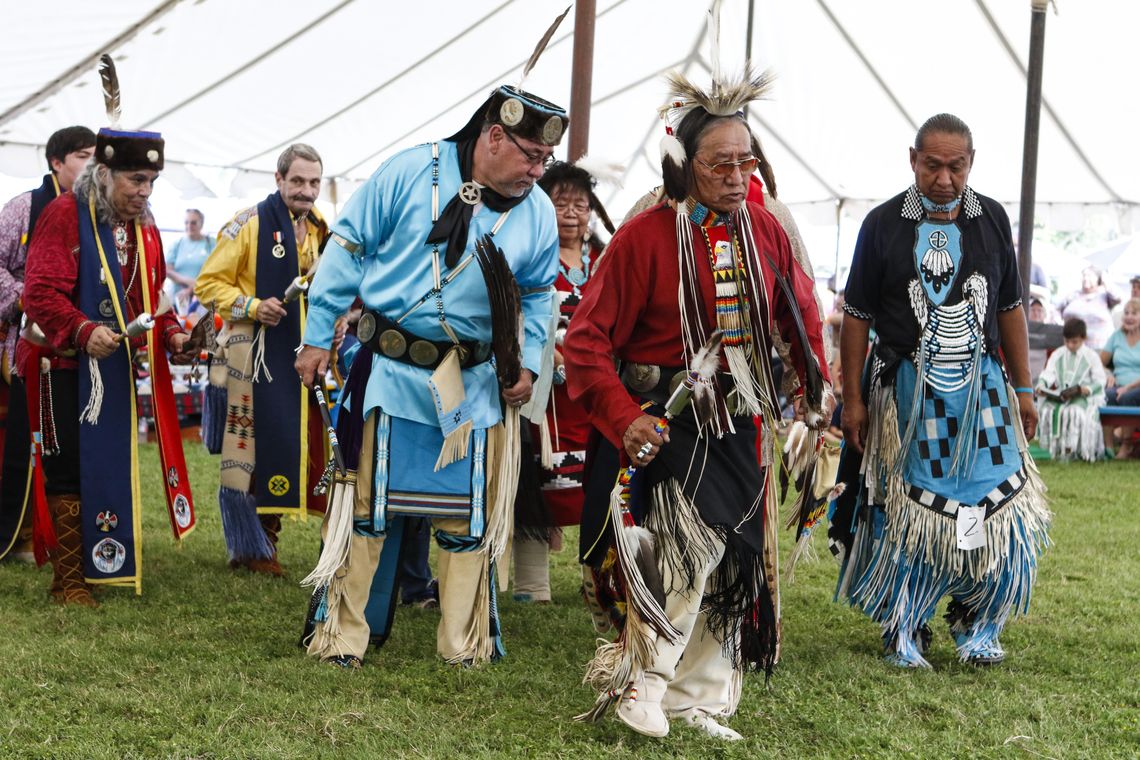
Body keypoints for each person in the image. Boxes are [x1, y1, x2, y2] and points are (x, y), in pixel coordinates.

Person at [566, 68, 831, 741]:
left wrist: (812, 398)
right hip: (670, 423)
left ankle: (700, 700)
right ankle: (642, 683)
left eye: (747, 161)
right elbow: (586, 342)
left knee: (735, 557)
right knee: (686, 551)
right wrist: (625, 420)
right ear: (686, 166)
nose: (737, 176)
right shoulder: (645, 237)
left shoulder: (765, 232)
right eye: (721, 163)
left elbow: (799, 314)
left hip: (740, 422)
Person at [295, 84, 563, 669]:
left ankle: (464, 645)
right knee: (365, 509)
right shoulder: (411, 171)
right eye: (529, 157)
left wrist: (530, 361)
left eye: (545, 162)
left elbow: (540, 293)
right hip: (390, 372)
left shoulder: (536, 211)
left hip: (470, 384)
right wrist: (318, 332)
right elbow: (347, 246)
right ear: (493, 136)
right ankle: (340, 638)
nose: (537, 173)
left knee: (467, 518)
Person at [833, 113, 1051, 670]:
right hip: (907, 394)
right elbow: (856, 315)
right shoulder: (883, 225)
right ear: (913, 160)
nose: (945, 178)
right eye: (933, 165)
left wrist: (1023, 389)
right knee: (906, 507)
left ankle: (976, 620)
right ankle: (903, 623)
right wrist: (853, 399)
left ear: (971, 163)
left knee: (995, 503)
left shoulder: (992, 220)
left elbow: (1008, 309)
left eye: (956, 166)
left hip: (983, 391)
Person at [20, 124, 196, 605]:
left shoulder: (145, 226)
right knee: (70, 469)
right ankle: (70, 580)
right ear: (104, 174)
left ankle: (103, 559)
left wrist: (176, 333)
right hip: (63, 364)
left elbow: (153, 295)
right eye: (136, 180)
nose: (145, 192)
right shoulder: (64, 214)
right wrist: (81, 329)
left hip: (112, 371)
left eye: (151, 182)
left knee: (106, 465)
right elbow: (38, 292)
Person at [194, 144, 332, 576]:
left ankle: (267, 538)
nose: (306, 191)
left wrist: (337, 318)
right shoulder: (247, 225)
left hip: (301, 355)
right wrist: (252, 305)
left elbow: (328, 284)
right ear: (278, 179)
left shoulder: (320, 230)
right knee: (252, 447)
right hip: (251, 355)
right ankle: (252, 548)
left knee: (294, 441)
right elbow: (207, 284)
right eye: (297, 182)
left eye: (313, 183)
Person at [512, 160, 614, 604]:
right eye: (561, 203)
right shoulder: (532, 256)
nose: (572, 213)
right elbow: (517, 318)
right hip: (546, 397)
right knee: (538, 481)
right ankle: (532, 585)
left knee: (600, 484)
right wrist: (551, 356)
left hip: (595, 393)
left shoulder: (606, 256)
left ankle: (600, 576)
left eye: (581, 204)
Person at [0, 126, 95, 563]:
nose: (92, 164)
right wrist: (24, 297)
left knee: (79, 441)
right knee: (29, 440)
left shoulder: (100, 213)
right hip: (32, 341)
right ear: (56, 162)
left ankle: (77, 533)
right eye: (82, 156)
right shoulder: (23, 207)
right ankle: (20, 534)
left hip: (89, 344)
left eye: (97, 156)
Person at [1035, 318, 1105, 461]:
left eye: (1074, 342)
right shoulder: (1058, 354)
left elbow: (1100, 380)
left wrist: (1087, 389)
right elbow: (1049, 373)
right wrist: (1042, 385)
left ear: (1083, 338)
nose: (1070, 345)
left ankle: (1079, 450)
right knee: (1048, 409)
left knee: (1074, 412)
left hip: (1084, 397)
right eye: (1067, 341)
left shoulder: (1091, 356)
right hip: (1062, 395)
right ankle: (1058, 449)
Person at [1100, 297, 1140, 458]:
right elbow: (1099, 362)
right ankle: (1108, 447)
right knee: (1106, 395)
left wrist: (1129, 387)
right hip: (1119, 385)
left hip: (1136, 387)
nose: (1129, 317)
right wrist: (1108, 374)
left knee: (1127, 398)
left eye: (1134, 313)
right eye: (1126, 313)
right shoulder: (1116, 336)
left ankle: (1126, 445)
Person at [165, 209, 213, 314]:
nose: (189, 226)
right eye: (186, 222)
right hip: (177, 301)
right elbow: (167, 271)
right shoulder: (177, 244)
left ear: (202, 223)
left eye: (193, 222)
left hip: (202, 302)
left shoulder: (211, 243)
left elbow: (215, 273)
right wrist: (190, 282)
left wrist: (191, 289)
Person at [1058, 266, 1118, 350]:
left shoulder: (1104, 295)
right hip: (1073, 345)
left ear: (1098, 278)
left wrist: (1106, 281)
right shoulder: (1073, 295)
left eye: (1089, 275)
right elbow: (1056, 309)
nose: (1086, 278)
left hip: (1099, 347)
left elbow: (1118, 298)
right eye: (1084, 275)